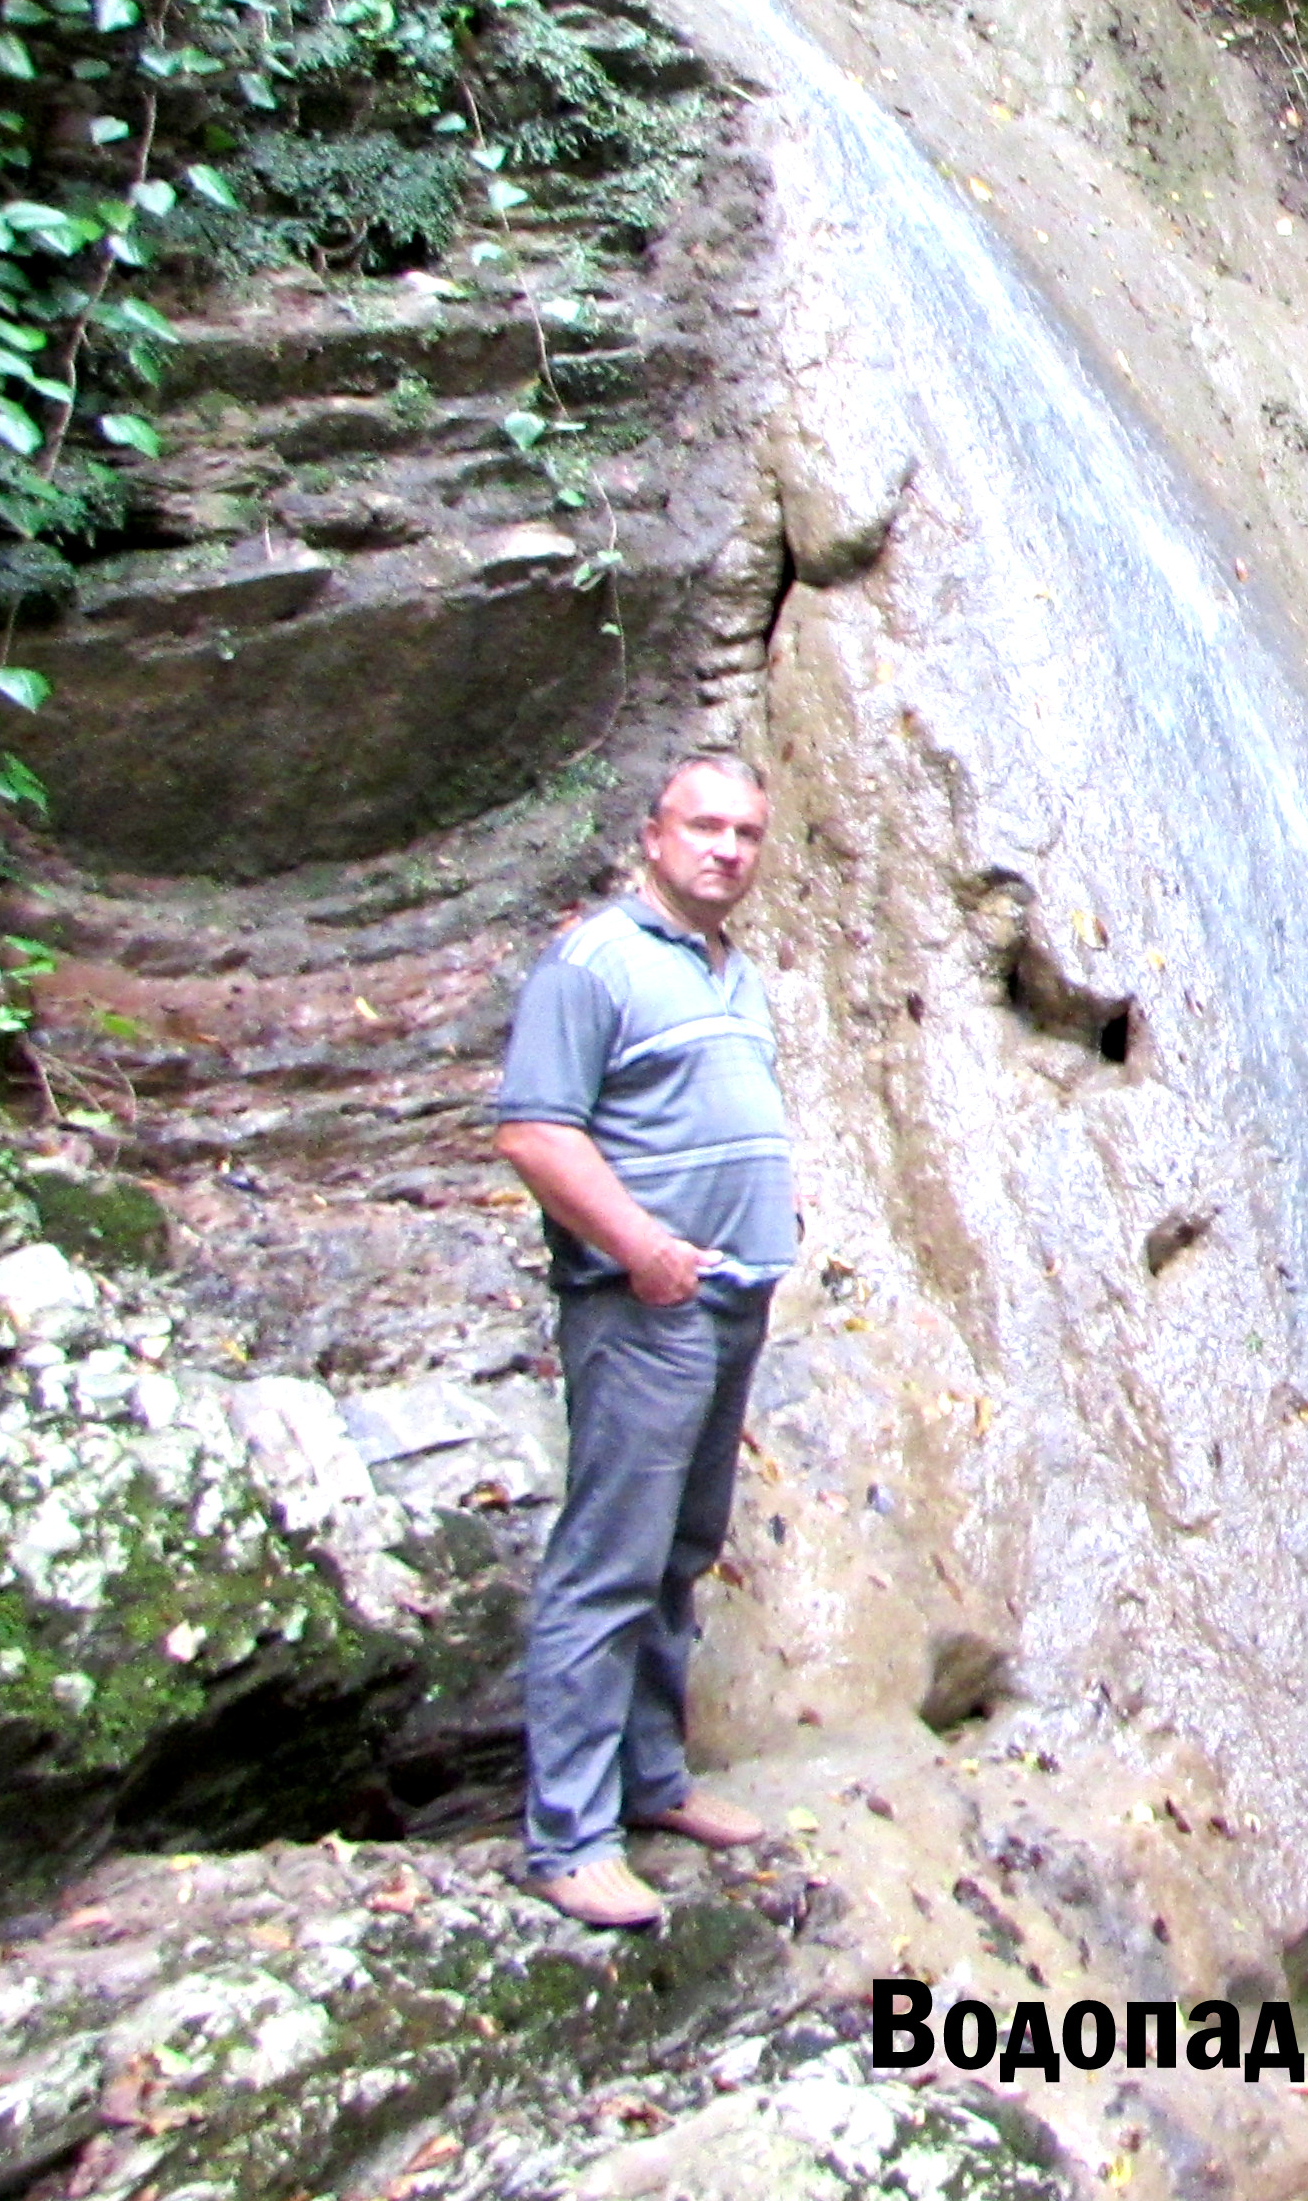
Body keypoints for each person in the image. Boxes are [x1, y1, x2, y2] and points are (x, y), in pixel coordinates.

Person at [493, 750, 798, 1926]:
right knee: (609, 1561)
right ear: (654, 835)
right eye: (705, 826)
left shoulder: (732, 972)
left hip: (732, 1299)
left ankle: (653, 1782)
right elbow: (535, 1133)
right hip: (646, 1308)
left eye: (747, 833)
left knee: (679, 1550)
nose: (726, 848)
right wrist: (639, 1247)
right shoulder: (593, 964)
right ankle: (569, 1839)